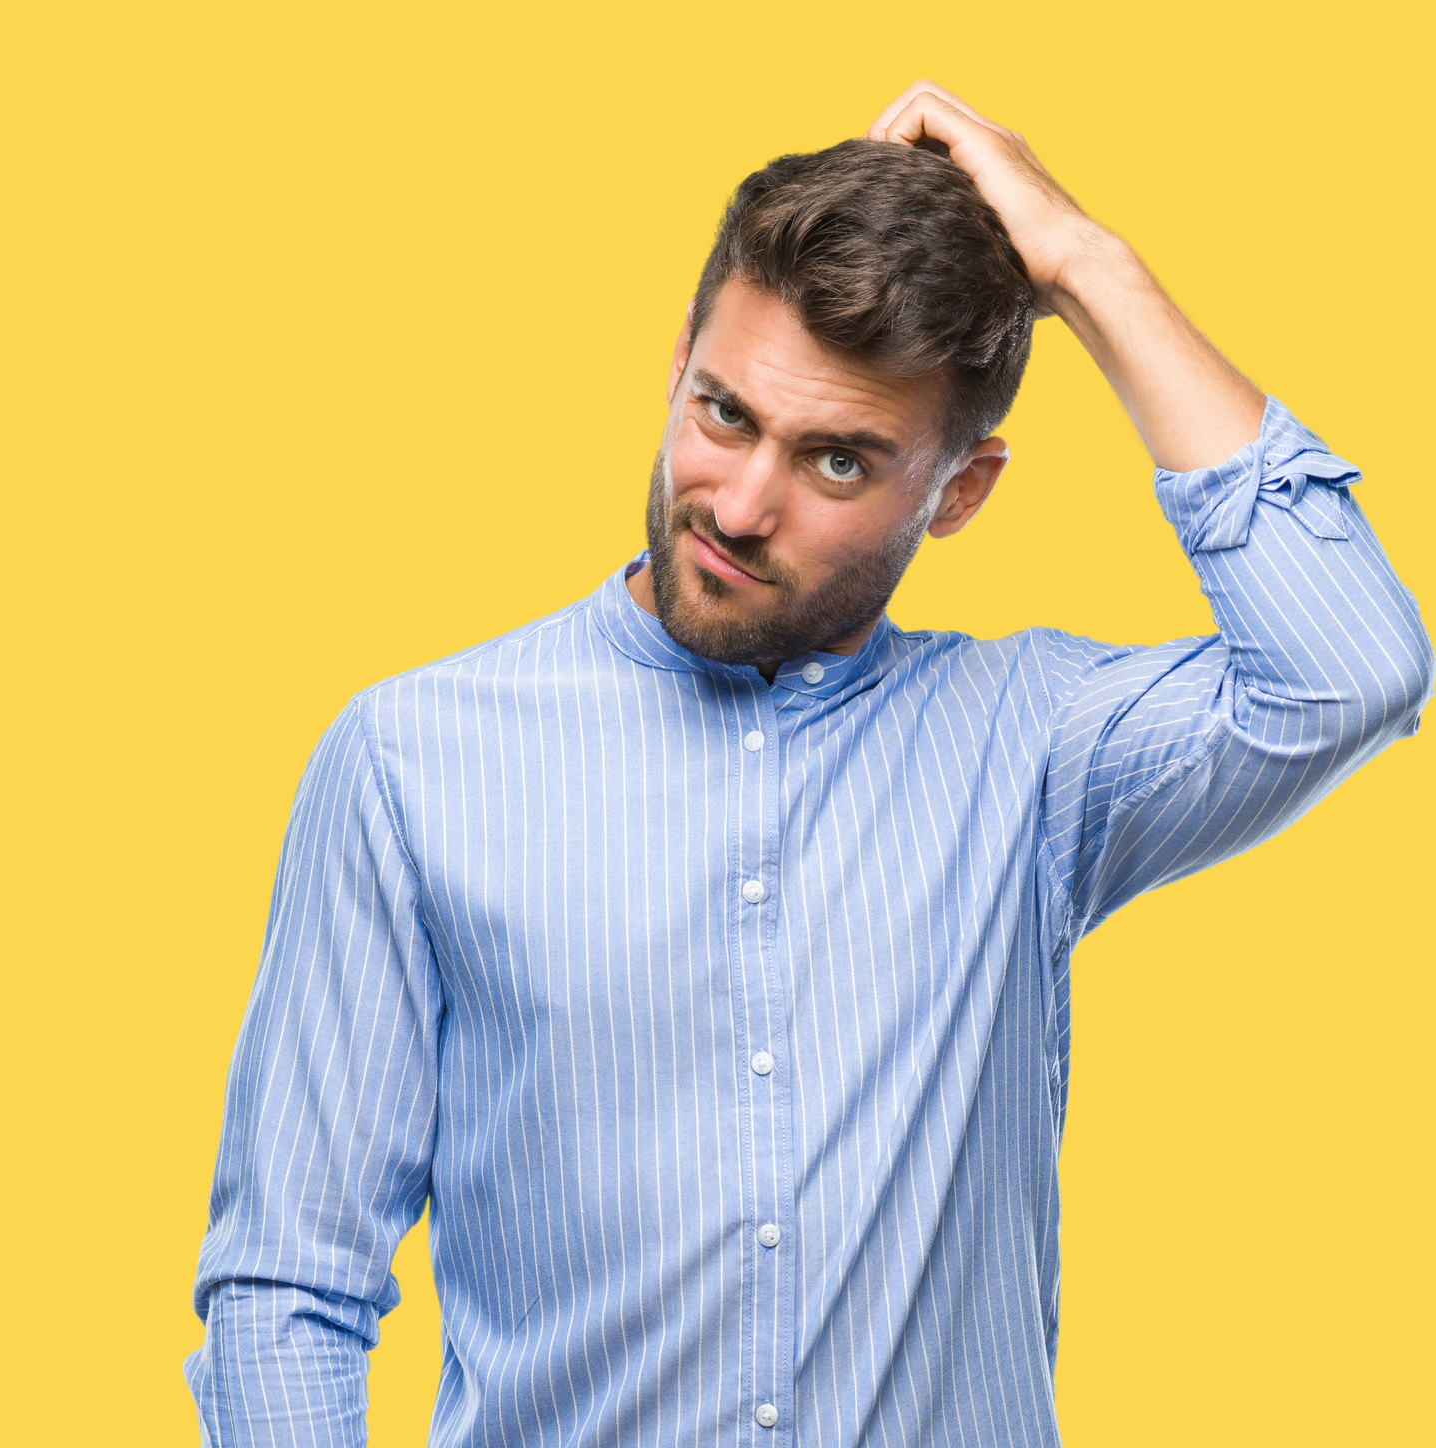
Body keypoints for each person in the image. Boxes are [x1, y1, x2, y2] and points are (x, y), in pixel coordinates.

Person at [183, 81, 1433, 1448]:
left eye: (837, 462)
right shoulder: (411, 763)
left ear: (958, 491)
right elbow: (286, 1290)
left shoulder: (1034, 751)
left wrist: (1084, 266)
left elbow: (1347, 670)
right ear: (677, 362)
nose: (737, 504)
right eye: (722, 413)